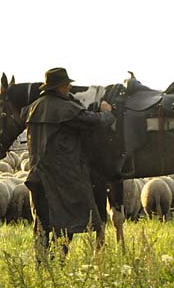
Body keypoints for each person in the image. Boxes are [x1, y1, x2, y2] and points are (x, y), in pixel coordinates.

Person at [24, 67, 115, 258]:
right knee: (65, 223)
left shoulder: (34, 108)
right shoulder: (65, 109)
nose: (69, 88)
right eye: (67, 85)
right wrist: (108, 113)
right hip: (61, 178)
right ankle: (58, 265)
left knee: (42, 226)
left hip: (37, 176)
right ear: (60, 87)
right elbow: (93, 122)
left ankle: (42, 267)